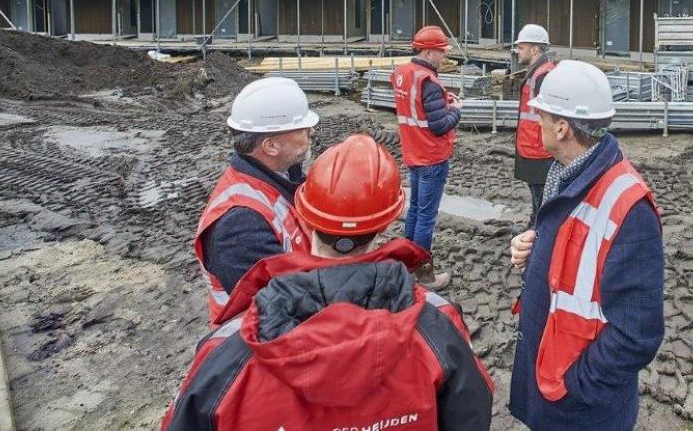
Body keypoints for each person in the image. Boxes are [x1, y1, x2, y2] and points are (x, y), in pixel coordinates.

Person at [163, 134, 495, 430]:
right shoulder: (437, 326)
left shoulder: (229, 352)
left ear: (304, 215)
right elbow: (471, 413)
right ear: (386, 223)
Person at [508, 60, 665, 430]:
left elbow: (636, 334)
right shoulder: (563, 173)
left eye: (542, 116)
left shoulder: (629, 208)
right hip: (550, 381)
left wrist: (573, 388)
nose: (537, 123)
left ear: (562, 128)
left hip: (580, 410)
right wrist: (532, 251)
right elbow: (572, 258)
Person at [194, 77, 319, 323]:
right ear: (270, 145)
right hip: (265, 348)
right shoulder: (240, 224)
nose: (311, 132)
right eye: (302, 128)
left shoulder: (283, 178)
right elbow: (279, 312)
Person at [391, 25, 461, 289]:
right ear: (430, 51)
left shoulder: (402, 73)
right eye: (442, 52)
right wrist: (455, 110)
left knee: (415, 210)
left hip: (413, 152)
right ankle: (423, 274)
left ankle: (407, 262)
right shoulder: (428, 80)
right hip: (431, 155)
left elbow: (416, 106)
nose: (444, 57)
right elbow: (440, 125)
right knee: (426, 216)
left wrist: (441, 102)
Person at [513, 23, 557, 223]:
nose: (517, 51)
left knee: (542, 199)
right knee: (537, 197)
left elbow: (549, 118)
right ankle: (536, 227)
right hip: (533, 146)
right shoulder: (538, 72)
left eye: (521, 47)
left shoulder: (544, 76)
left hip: (539, 150)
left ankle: (538, 233)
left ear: (535, 48)